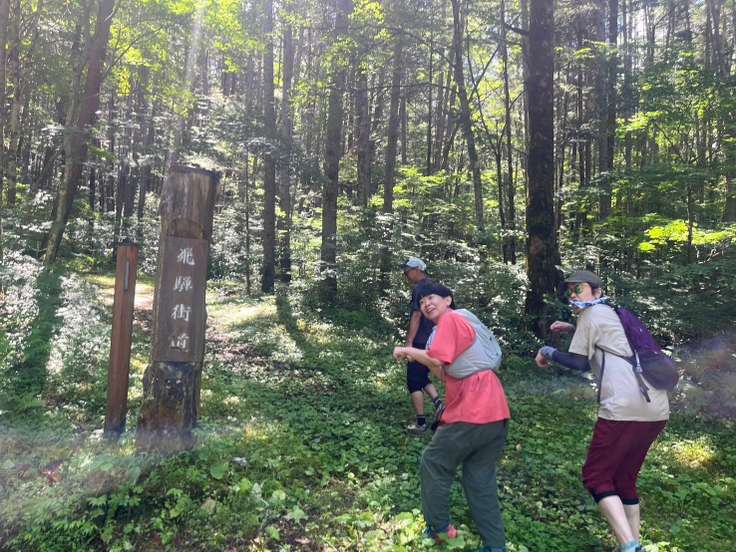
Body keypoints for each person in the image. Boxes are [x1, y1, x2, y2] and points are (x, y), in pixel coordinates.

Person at [535, 270, 669, 552]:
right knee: (624, 479)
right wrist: (572, 328)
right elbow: (611, 340)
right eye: (569, 291)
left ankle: (630, 546)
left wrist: (547, 350)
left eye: (579, 289)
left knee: (596, 476)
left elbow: (580, 362)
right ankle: (633, 544)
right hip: (656, 408)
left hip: (623, 407)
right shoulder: (612, 312)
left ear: (597, 292)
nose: (572, 295)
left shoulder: (590, 315)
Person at [393, 283, 510, 552]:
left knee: (434, 462)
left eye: (431, 297)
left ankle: (439, 530)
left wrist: (407, 350)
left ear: (448, 300)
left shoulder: (451, 320)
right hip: (496, 410)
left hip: (473, 408)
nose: (426, 303)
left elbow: (437, 360)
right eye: (421, 301)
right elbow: (444, 372)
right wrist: (421, 357)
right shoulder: (455, 325)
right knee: (479, 478)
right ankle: (495, 546)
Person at [401, 257, 443, 433]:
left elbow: (417, 315)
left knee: (413, 380)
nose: (406, 275)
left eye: (408, 271)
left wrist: (409, 343)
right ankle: (439, 405)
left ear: (418, 269)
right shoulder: (437, 287)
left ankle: (421, 423)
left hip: (420, 340)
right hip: (435, 339)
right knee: (421, 374)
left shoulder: (419, 289)